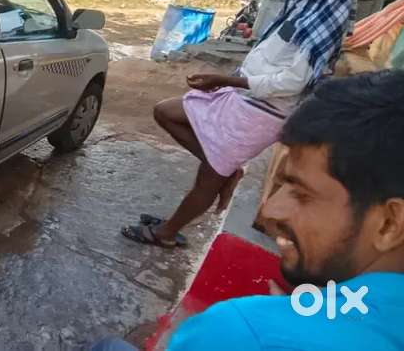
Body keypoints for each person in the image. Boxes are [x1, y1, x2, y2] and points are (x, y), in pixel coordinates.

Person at [94, 70, 404, 351]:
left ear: (390, 224)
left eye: (302, 194)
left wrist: (279, 325)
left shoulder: (242, 332)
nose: (271, 210)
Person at [122, 0, 360, 247]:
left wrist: (226, 80)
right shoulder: (305, 8)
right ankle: (226, 170)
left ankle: (166, 233)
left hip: (260, 112)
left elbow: (293, 82)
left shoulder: (326, 22)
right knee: (166, 112)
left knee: (206, 181)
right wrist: (232, 82)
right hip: (242, 98)